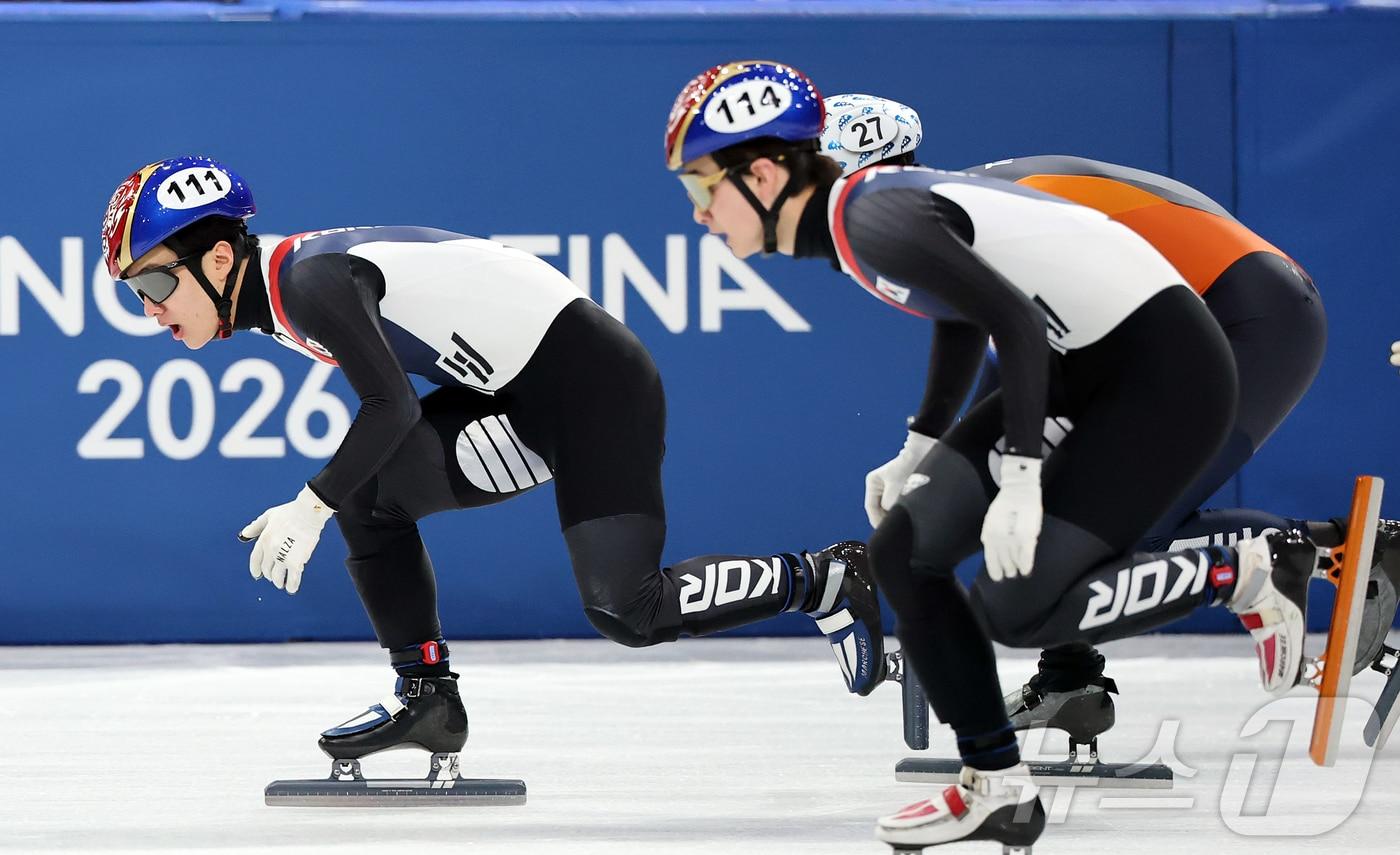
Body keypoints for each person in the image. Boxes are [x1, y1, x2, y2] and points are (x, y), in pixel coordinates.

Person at [663, 60, 1339, 853]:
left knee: (1019, 608)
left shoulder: (871, 219)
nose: (702, 215)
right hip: (1083, 357)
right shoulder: (862, 219)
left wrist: (1020, 478)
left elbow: (1014, 324)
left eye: (703, 189)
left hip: (1163, 370)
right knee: (903, 551)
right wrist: (922, 442)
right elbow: (965, 315)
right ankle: (996, 788)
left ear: (768, 174)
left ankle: (1244, 566)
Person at [98, 156, 887, 775]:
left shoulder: (305, 280)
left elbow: (392, 407)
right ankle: (428, 698)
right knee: (369, 496)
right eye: (137, 293)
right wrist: (328, 497)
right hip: (518, 395)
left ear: (223, 258)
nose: (152, 309)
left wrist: (308, 504)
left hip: (594, 390)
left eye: (158, 282)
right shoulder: (277, 292)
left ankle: (822, 576)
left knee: (627, 609)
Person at [820, 94, 1400, 756]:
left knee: (1112, 525)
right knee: (1063, 506)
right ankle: (1071, 680)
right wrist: (927, 452)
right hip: (1209, 308)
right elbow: (1004, 352)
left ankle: (1334, 550)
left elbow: (1017, 342)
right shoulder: (939, 204)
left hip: (1248, 311)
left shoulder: (929, 215)